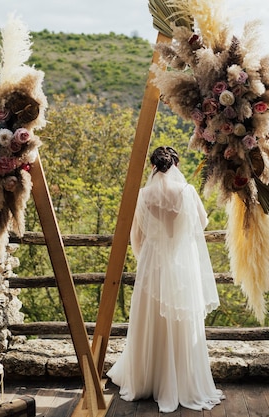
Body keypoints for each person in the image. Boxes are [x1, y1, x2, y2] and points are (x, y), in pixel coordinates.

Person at [107, 146, 224, 413]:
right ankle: (182, 381)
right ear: (176, 166)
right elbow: (201, 223)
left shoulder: (143, 196)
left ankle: (147, 379)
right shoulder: (187, 192)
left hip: (152, 264)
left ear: (152, 167)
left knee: (150, 320)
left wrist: (146, 257)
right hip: (181, 265)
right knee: (180, 323)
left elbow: (136, 237)